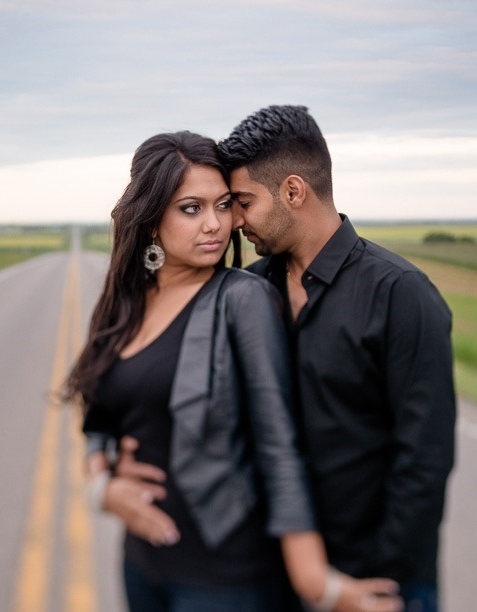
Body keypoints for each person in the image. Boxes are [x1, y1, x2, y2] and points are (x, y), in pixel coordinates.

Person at [118, 106, 456, 611]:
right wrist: (113, 473)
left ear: (294, 192)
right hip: (275, 574)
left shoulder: (401, 296)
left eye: (243, 203)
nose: (233, 221)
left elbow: (423, 462)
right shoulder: (249, 290)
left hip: (375, 583)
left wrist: (373, 581)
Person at [64, 131, 401, 612]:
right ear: (152, 219)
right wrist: (103, 488)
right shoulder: (126, 302)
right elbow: (98, 414)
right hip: (143, 567)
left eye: (223, 205)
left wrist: (314, 582)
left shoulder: (241, 299)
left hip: (225, 580)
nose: (215, 225)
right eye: (191, 208)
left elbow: (278, 442)